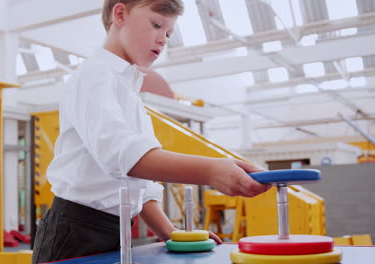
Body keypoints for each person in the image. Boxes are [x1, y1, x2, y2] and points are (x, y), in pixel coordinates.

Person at [32, 0, 270, 263]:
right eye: (156, 25)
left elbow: (140, 185)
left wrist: (171, 232)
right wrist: (212, 171)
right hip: (74, 231)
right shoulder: (94, 76)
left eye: (168, 33)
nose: (163, 39)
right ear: (120, 14)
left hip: (113, 228)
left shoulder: (130, 92)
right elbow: (123, 157)